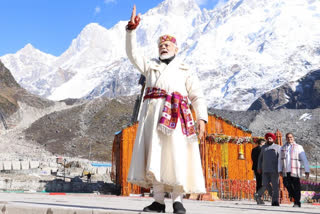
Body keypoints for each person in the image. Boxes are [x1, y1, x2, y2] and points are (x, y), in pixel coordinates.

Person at [125, 5, 208, 214]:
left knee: (177, 155)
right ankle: (159, 202)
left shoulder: (185, 70)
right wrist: (131, 31)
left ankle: (178, 201)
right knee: (157, 155)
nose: (164, 47)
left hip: (178, 118)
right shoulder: (150, 66)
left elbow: (197, 95)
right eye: (161, 44)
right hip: (153, 118)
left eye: (168, 44)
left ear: (176, 48)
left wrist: (202, 119)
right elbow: (132, 53)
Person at [278, 133, 310, 207]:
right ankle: (294, 197)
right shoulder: (282, 148)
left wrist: (307, 170)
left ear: (293, 138)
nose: (290, 139)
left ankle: (297, 202)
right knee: (286, 184)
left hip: (295, 170)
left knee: (296, 186)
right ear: (286, 138)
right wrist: (279, 169)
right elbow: (280, 160)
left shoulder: (298, 147)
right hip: (286, 170)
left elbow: (304, 159)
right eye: (288, 137)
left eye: (291, 137)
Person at [255, 133, 281, 206]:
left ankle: (275, 201)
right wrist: (259, 167)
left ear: (273, 139)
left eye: (271, 138)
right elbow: (260, 159)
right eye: (268, 138)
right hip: (265, 170)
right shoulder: (263, 147)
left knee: (275, 186)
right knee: (265, 184)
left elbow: (280, 159)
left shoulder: (278, 147)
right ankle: (272, 196)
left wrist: (280, 169)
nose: (269, 139)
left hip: (274, 170)